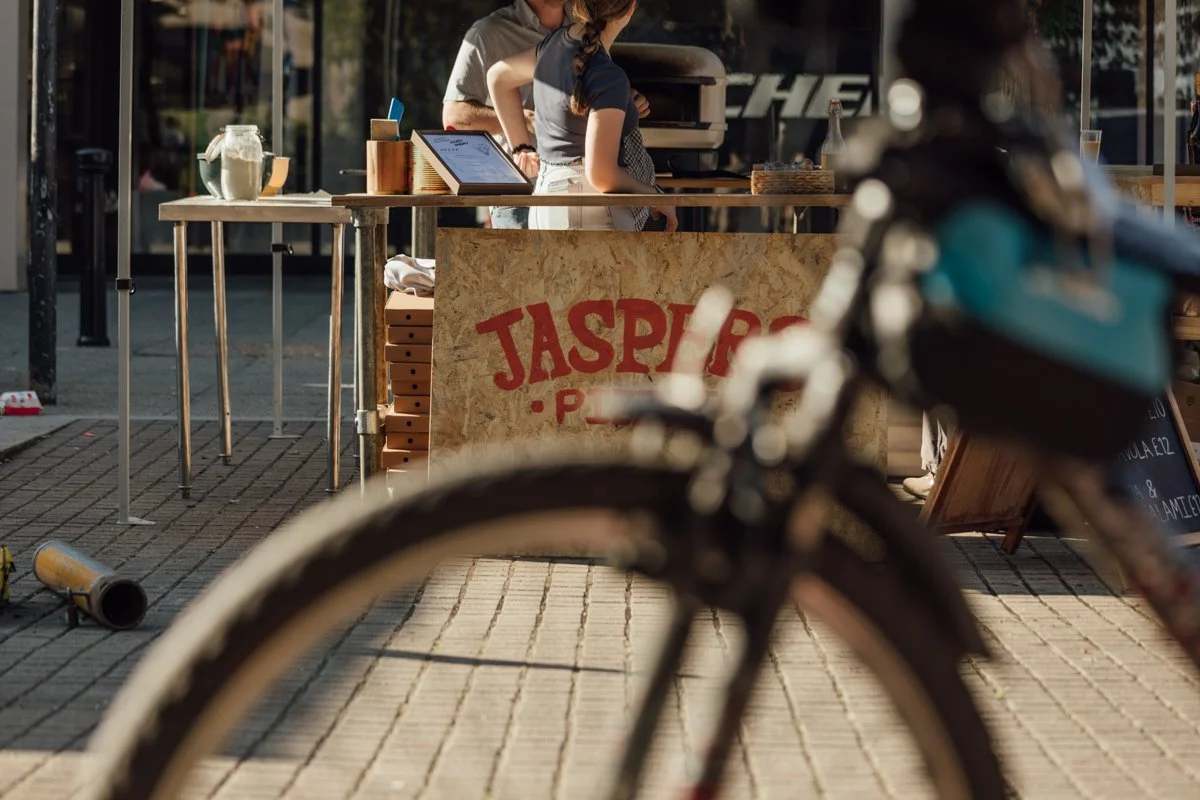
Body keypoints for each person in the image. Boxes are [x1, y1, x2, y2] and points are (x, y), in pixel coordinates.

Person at [488, 0, 676, 232]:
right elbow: (601, 174)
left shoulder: (552, 45)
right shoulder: (608, 74)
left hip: (544, 206)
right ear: (630, 8)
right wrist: (654, 194)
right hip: (592, 212)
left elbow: (498, 77)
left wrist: (521, 146)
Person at [443, 0, 567, 230]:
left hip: (579, 193)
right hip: (518, 196)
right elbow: (455, 117)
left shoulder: (584, 28)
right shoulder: (487, 33)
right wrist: (526, 120)